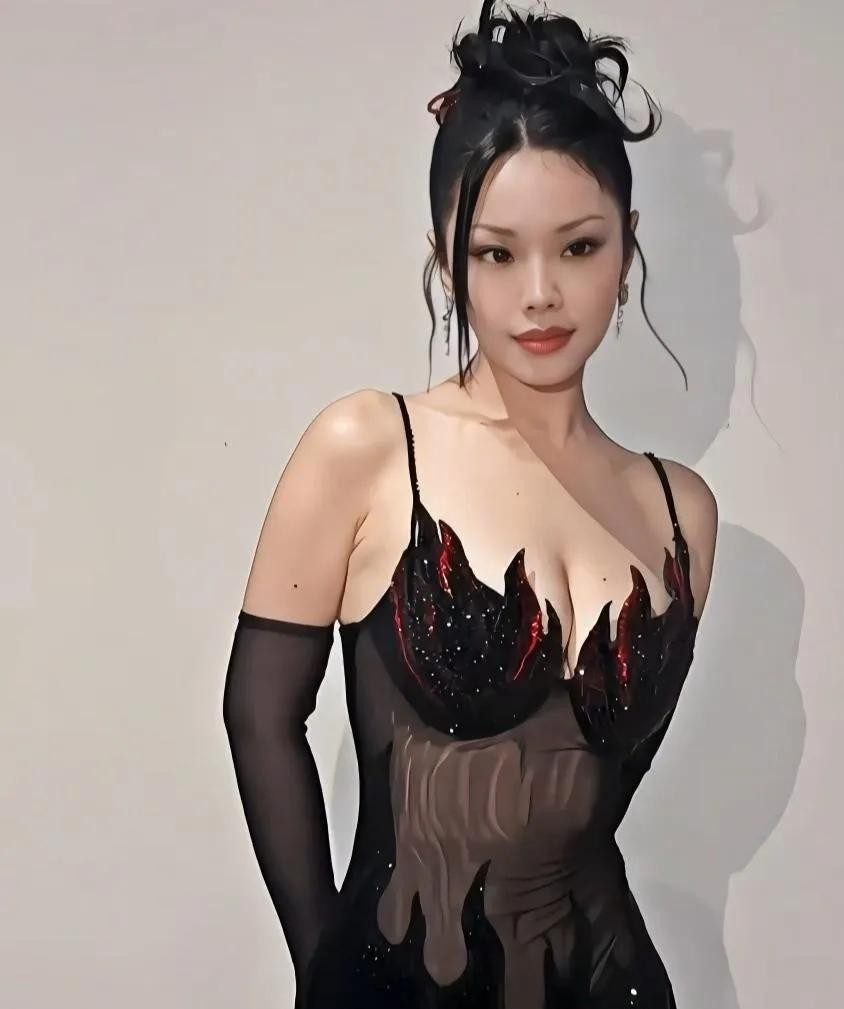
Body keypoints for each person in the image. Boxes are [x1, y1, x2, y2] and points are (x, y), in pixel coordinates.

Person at [222, 2, 718, 1006]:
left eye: (577, 247)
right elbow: (258, 715)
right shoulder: (369, 448)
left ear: (626, 249)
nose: (540, 294)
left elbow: (592, 806)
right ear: (447, 258)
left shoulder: (681, 512)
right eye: (498, 252)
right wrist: (328, 974)